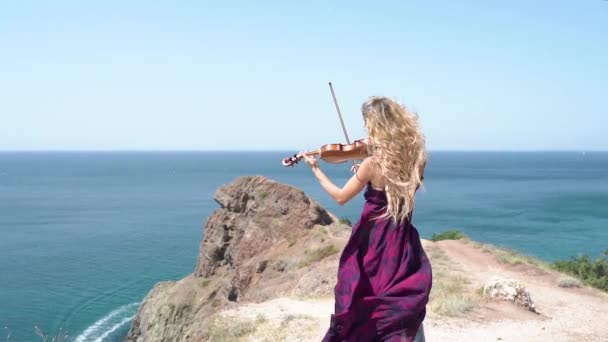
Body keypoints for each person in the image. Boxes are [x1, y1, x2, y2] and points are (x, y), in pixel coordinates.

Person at [300, 96, 432, 342]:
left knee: (361, 294)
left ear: (376, 126)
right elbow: (398, 190)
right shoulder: (417, 160)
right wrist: (364, 174)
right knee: (401, 297)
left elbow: (340, 197)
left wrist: (315, 169)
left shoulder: (372, 163)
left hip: (372, 240)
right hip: (401, 239)